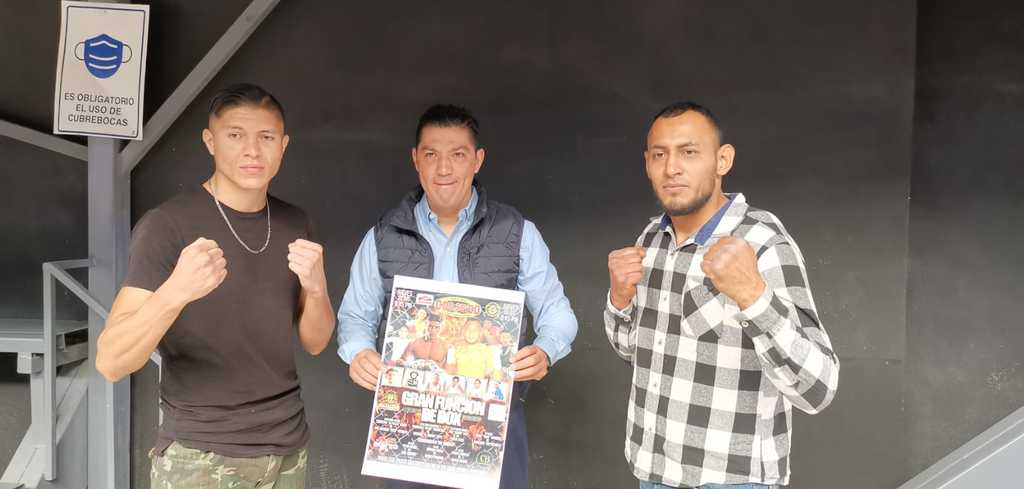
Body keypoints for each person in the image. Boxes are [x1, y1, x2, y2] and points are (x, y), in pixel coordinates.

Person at [95, 83, 335, 489]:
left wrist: (316, 289)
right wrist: (176, 291)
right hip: (201, 454)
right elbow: (111, 361)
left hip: (288, 447)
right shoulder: (167, 226)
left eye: (266, 137)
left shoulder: (295, 223)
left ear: (283, 145)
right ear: (210, 141)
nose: (252, 150)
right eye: (235, 135)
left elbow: (316, 342)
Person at [337, 104, 578, 489]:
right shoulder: (382, 236)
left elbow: (556, 311)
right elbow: (355, 316)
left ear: (477, 160)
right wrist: (358, 352)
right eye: (432, 154)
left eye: (458, 154)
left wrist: (546, 349)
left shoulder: (517, 232)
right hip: (408, 425)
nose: (444, 168)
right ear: (416, 160)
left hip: (493, 424)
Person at [605, 102, 839, 489]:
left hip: (732, 480)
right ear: (647, 163)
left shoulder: (762, 242)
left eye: (689, 152)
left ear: (722, 160)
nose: (672, 168)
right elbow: (630, 350)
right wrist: (619, 300)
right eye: (659, 155)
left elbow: (818, 389)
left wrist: (753, 295)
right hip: (653, 473)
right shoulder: (651, 240)